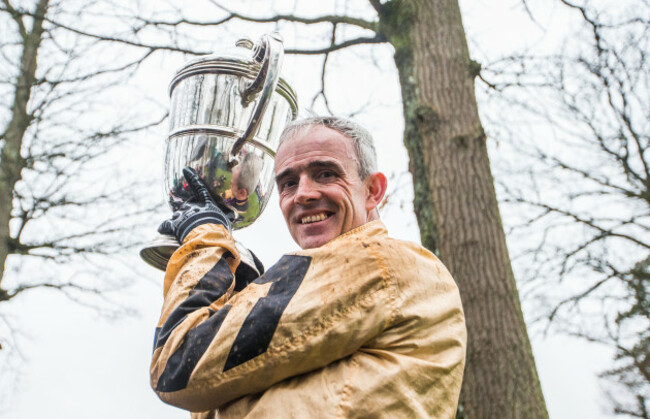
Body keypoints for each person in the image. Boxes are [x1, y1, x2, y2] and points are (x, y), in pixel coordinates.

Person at [151, 116, 467, 418]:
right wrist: (234, 286)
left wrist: (205, 237)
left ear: (373, 191)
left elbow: (177, 366)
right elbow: (211, 394)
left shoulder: (379, 261)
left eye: (326, 173)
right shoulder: (342, 284)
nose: (303, 194)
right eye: (288, 182)